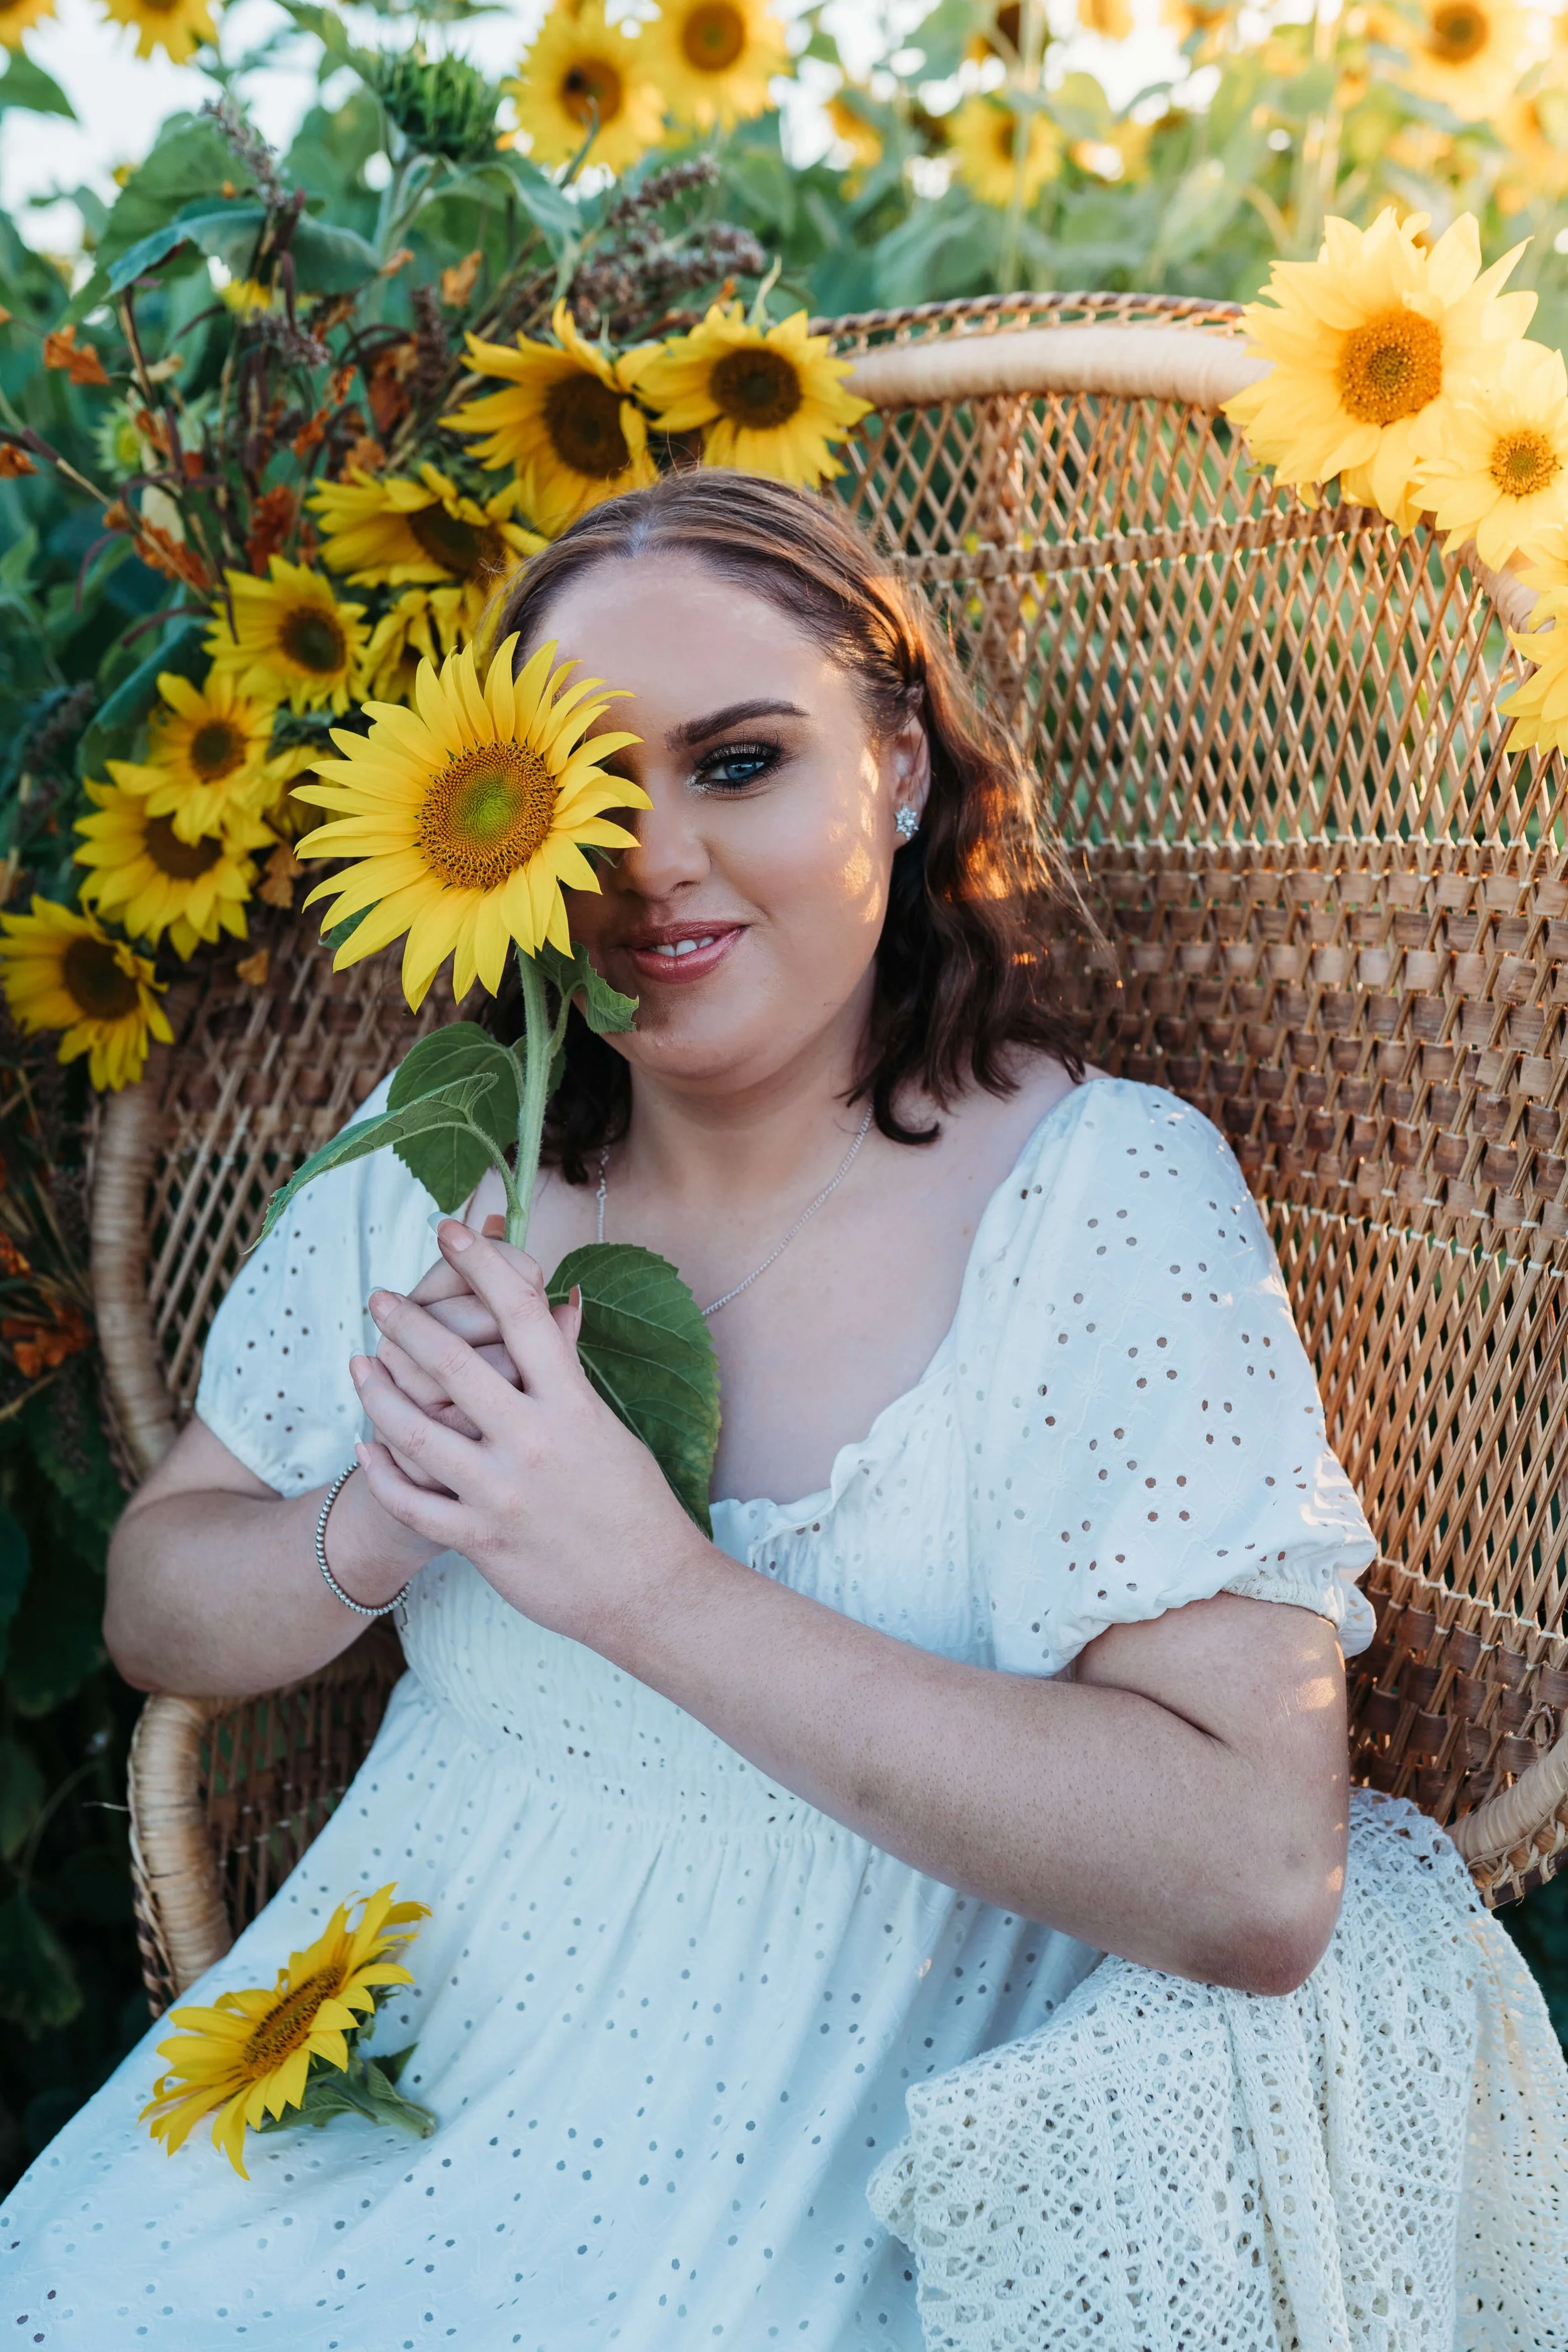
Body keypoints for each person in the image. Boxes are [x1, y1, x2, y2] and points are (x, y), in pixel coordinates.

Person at [3, 472, 1483, 2347]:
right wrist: (375, 1517)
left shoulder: (1096, 1202)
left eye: (737, 762)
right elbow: (155, 1598)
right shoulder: (444, 1168)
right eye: (589, 791)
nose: (652, 859)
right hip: (442, 2023)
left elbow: (1253, 1874)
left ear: (905, 775)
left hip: (859, 2099)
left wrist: (640, 1583)